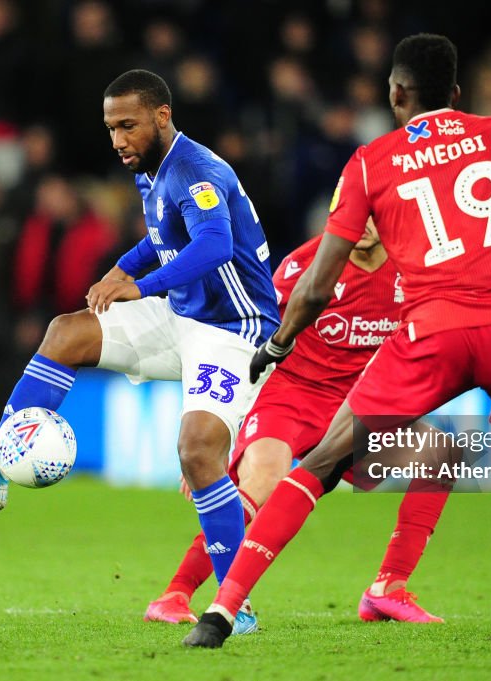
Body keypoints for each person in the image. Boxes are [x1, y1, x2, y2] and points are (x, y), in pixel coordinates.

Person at [184, 34, 491, 652]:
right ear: (457, 94)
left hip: (431, 330)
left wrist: (279, 343)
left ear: (395, 93)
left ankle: (221, 614)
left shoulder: (371, 160)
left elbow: (316, 282)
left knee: (319, 464)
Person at [0, 69, 279, 634]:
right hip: (182, 315)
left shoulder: (198, 170)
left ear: (161, 117)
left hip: (232, 329)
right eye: (110, 127)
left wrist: (139, 287)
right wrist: (124, 267)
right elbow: (165, 236)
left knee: (197, 453)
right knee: (67, 331)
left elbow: (214, 245)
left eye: (127, 125)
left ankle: (234, 603)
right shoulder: (150, 168)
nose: (117, 138)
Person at [146, 223, 452, 625]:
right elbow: (250, 341)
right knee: (265, 478)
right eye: (353, 212)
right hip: (290, 395)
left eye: (372, 213)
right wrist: (221, 435)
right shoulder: (306, 266)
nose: (362, 224)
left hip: (356, 404)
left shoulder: (413, 267)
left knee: (439, 451)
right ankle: (176, 593)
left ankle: (387, 588)